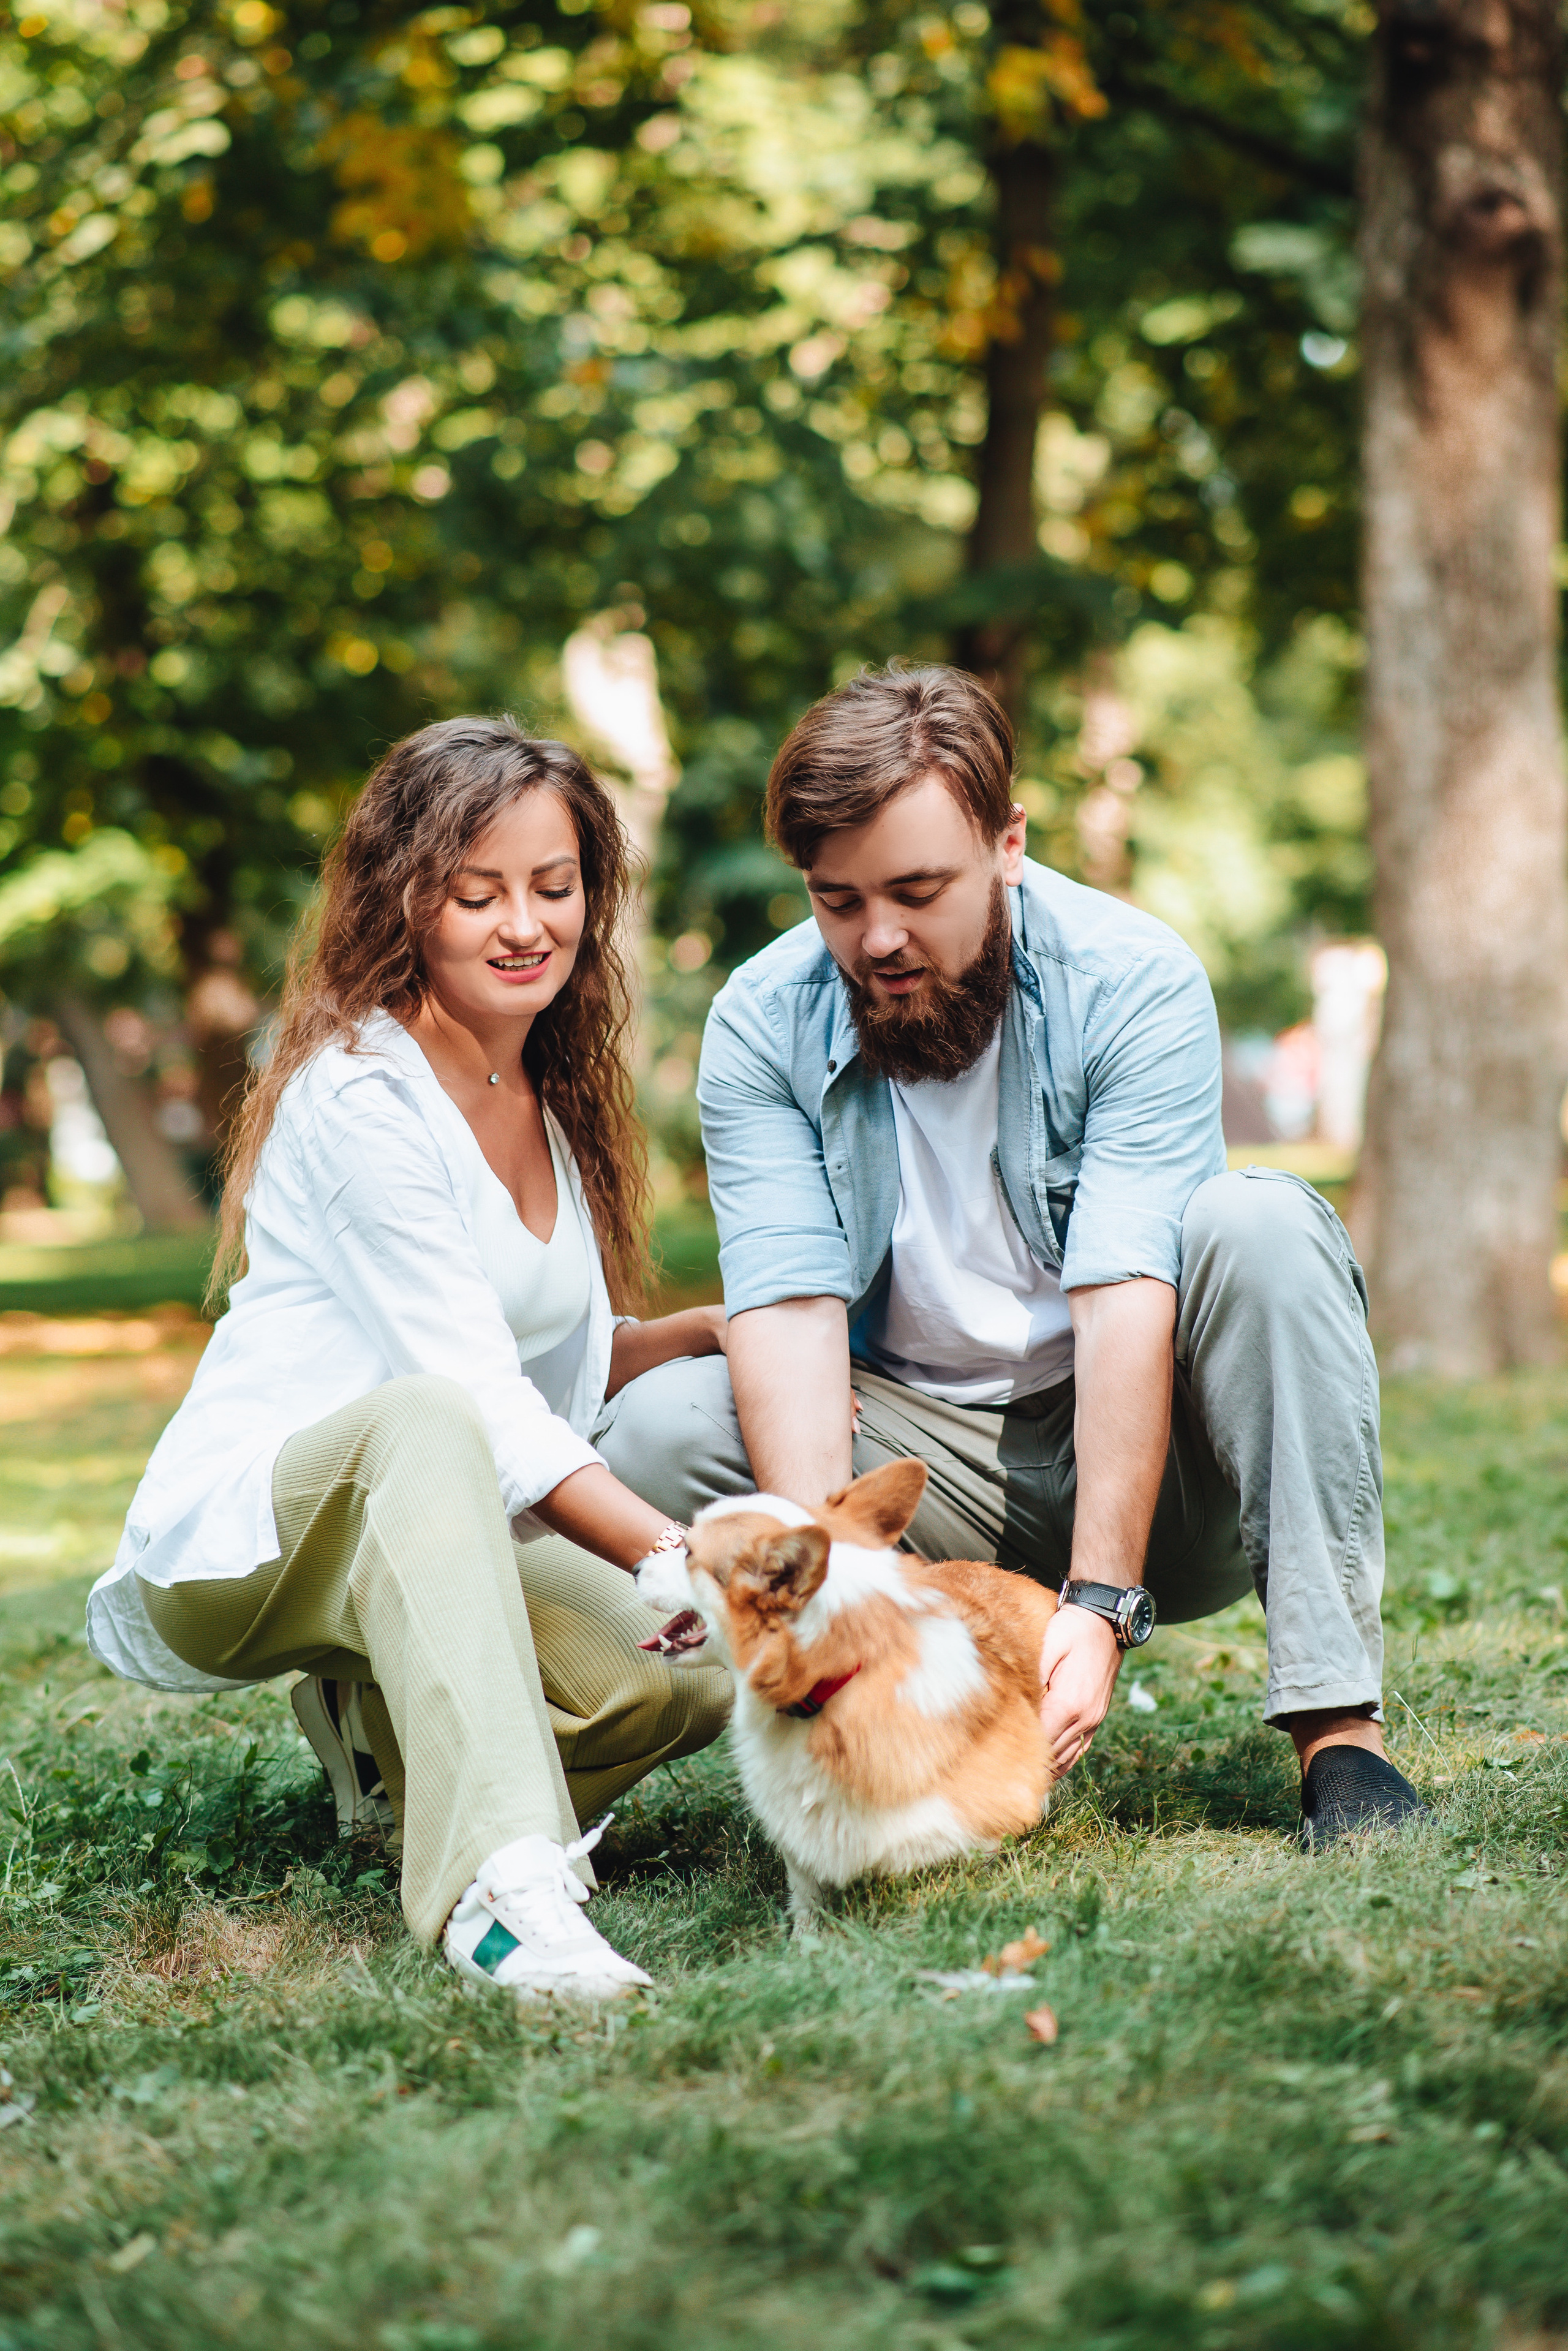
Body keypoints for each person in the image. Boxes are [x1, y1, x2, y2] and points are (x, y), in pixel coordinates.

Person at [595, 664, 1425, 1848]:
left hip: (1148, 1463)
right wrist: (824, 1577)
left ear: (1008, 844)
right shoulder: (758, 1021)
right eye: (838, 902)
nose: (878, 938)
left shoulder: (1132, 979)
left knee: (1265, 1222)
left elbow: (1125, 1289)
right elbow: (785, 1312)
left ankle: (1341, 1738)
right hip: (922, 1460)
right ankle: (894, 1697)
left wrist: (1097, 1600)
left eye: (919, 890)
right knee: (662, 1424)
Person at [88, 717, 731, 2000]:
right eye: (476, 891)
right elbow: (479, 1403)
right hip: (254, 1530)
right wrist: (679, 1550)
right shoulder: (359, 1095)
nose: (523, 924)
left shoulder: (541, 1092)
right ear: (404, 899)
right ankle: (496, 1887)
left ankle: (385, 1757)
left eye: (553, 887)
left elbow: (559, 1359)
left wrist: (714, 1328)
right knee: (438, 1420)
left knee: (683, 1675)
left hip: (432, 1507)